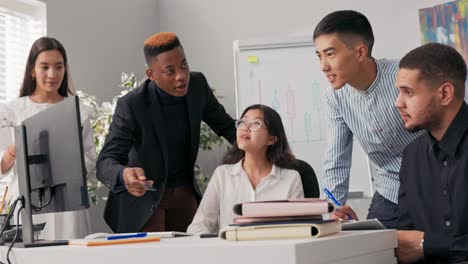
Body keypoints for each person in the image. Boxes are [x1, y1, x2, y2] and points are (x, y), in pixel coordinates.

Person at [96, 32, 236, 233]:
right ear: (151, 75)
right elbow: (105, 162)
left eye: (184, 65)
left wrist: (260, 148)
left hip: (184, 192)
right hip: (144, 200)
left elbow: (228, 128)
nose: (181, 76)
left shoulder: (198, 86)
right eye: (170, 71)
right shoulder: (132, 105)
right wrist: (124, 174)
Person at [313, 10, 422, 227]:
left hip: (437, 186)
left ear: (361, 52)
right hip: (390, 190)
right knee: (371, 247)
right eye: (319, 56)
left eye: (330, 54)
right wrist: (332, 207)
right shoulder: (335, 97)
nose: (323, 66)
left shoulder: (406, 76)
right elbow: (336, 159)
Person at [0, 37, 94, 239]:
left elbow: (89, 160)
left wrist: (67, 159)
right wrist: (15, 149)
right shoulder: (11, 111)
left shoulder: (80, 112)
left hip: (69, 204)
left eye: (58, 67)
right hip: (27, 201)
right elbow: (2, 167)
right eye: (45, 67)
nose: (52, 74)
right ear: (32, 70)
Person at [395, 43, 468, 263]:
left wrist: (429, 245)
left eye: (409, 92)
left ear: (445, 93)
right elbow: (406, 243)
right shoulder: (411, 156)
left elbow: (418, 245)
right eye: (399, 92)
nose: (398, 103)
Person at [187, 104, 304, 234]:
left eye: (256, 123)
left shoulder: (291, 179)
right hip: (231, 251)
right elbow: (198, 226)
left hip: (274, 251)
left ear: (271, 139)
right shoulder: (223, 174)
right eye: (242, 122)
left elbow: (299, 229)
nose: (245, 128)